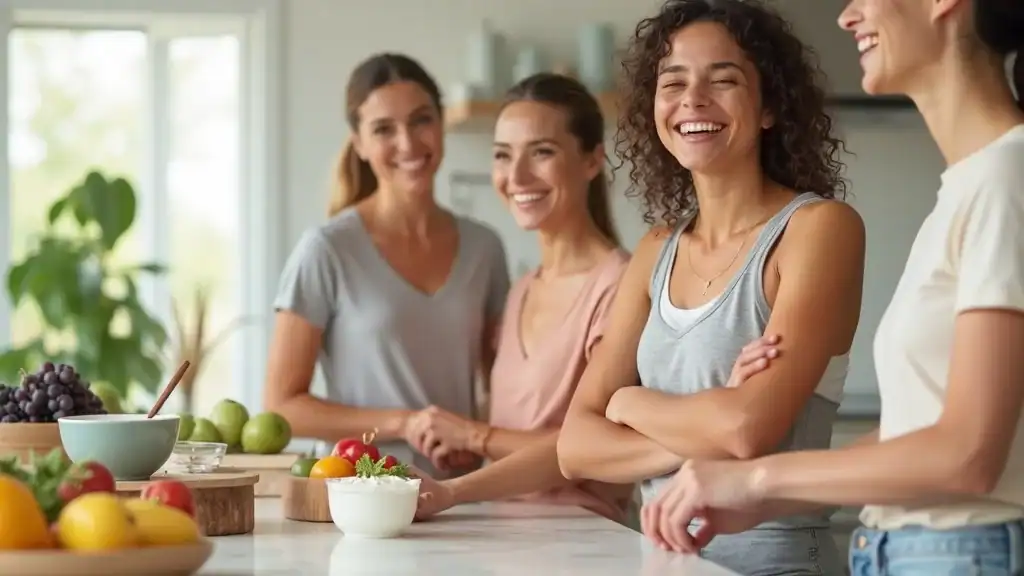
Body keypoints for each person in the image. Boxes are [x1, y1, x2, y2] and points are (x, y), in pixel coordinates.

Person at [638, 0, 1024, 573]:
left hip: (961, 553)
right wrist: (760, 496)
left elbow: (967, 457)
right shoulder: (970, 188)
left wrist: (756, 475)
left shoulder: (1005, 180)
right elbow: (911, 437)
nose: (847, 16)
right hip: (914, 551)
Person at [555, 0, 866, 573]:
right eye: (673, 83)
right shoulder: (656, 249)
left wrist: (629, 403)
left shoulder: (817, 229)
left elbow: (747, 429)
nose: (693, 100)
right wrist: (705, 428)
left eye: (723, 81)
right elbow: (574, 448)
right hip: (663, 563)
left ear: (770, 105)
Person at [263, 53, 511, 476]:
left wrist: (473, 434)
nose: (409, 143)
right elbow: (282, 408)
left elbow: (500, 388)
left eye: (421, 120)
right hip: (357, 494)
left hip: (462, 499)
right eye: (383, 129)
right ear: (358, 143)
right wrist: (404, 424)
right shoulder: (326, 250)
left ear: (441, 122)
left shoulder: (484, 248)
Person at [408, 73, 634, 522]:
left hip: (587, 544)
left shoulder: (621, 287)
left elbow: (595, 450)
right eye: (502, 156)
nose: (516, 176)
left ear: (592, 160)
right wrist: (470, 454)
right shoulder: (521, 290)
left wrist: (475, 437)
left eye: (542, 152)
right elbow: (515, 441)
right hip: (504, 539)